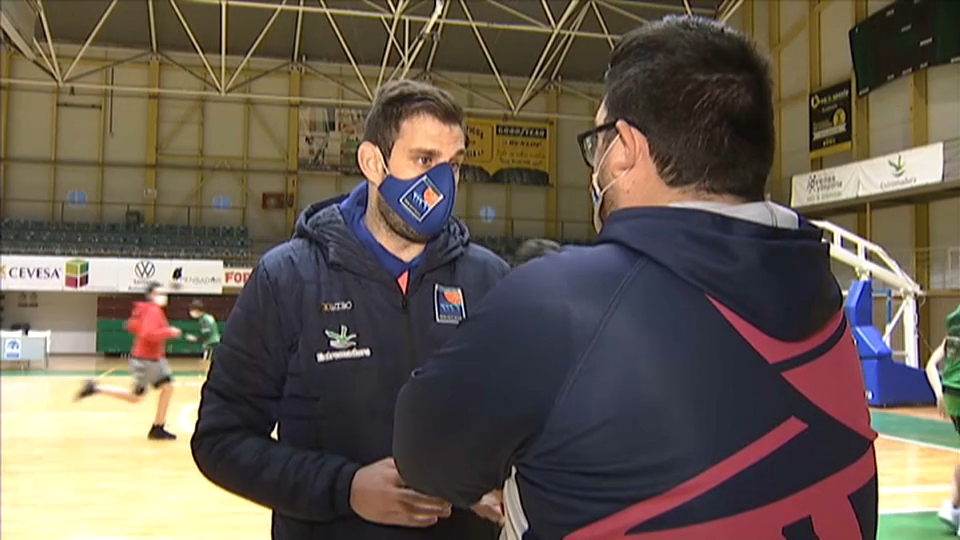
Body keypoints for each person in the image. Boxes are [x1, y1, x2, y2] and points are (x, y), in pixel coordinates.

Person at [393, 15, 878, 540]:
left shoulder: (556, 301)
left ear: (623, 148)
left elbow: (425, 455)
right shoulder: (820, 295)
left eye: (598, 141)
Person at [190, 79, 511, 540]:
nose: (441, 183)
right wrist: (345, 488)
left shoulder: (490, 280)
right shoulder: (287, 279)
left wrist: (487, 476)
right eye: (424, 160)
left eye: (454, 164)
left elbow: (520, 424)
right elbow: (221, 441)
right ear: (372, 163)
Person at [75, 281, 180, 440]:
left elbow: (131, 326)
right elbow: (148, 333)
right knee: (167, 387)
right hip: (149, 360)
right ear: (152, 295)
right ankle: (158, 427)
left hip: (145, 359)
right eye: (159, 293)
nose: (163, 296)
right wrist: (169, 332)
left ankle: (96, 388)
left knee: (139, 395)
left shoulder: (144, 310)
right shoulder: (153, 310)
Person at [927, 304, 960, 535]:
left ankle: (953, 506)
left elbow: (930, 365)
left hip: (951, 394)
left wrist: (939, 393)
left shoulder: (952, 334)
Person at [186, 299, 220, 374]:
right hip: (215, 342)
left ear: (197, 310)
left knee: (205, 362)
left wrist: (195, 339)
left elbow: (206, 333)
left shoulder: (204, 320)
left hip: (211, 343)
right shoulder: (209, 317)